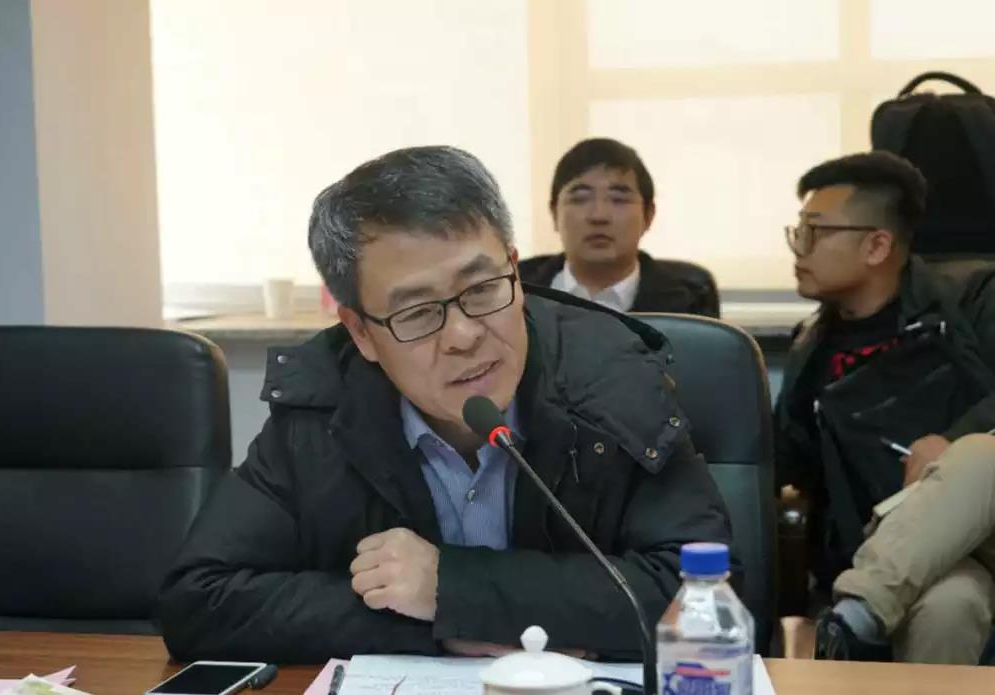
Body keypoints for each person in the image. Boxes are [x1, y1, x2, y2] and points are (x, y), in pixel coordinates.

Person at [159, 146, 732, 663]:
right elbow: (200, 600)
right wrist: (436, 626)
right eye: (416, 312)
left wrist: (456, 590)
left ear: (514, 269)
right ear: (360, 332)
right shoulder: (321, 406)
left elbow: (708, 599)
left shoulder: (612, 377)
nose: (463, 335)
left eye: (482, 289)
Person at [772, 151, 995, 663]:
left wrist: (952, 445)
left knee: (979, 455)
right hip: (907, 551)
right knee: (949, 607)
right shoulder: (812, 348)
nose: (799, 248)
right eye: (798, 231)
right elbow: (783, 462)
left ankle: (859, 611)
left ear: (876, 245)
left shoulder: (973, 300)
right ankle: (859, 616)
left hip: (985, 526)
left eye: (814, 231)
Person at [518, 138, 719, 317]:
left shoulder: (689, 305)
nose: (599, 216)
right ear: (554, 214)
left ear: (648, 215)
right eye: (580, 199)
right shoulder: (513, 291)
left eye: (618, 199)